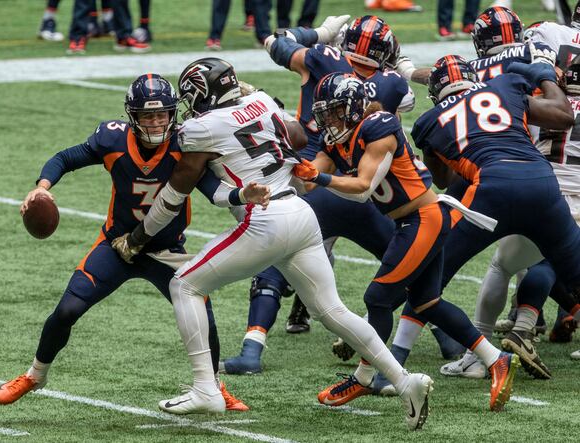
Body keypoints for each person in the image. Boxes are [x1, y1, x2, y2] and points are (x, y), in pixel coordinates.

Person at [112, 57, 435, 431]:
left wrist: (138, 238)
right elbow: (298, 137)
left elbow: (176, 188)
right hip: (301, 212)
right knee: (333, 312)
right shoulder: (264, 103)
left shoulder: (199, 128)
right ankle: (404, 381)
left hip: (264, 219)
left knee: (183, 284)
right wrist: (258, 103)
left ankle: (206, 389)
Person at [0, 73, 263, 412]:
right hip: (116, 245)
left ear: (172, 114)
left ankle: (213, 386)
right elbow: (65, 158)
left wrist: (241, 194)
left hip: (166, 252)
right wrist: (43, 187)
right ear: (132, 116)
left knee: (203, 315)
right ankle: (35, 374)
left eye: (161, 114)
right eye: (147, 116)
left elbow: (212, 190)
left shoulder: (185, 144)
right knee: (67, 309)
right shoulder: (113, 140)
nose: (155, 122)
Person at [221, 16, 441, 381]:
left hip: (313, 177)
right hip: (365, 192)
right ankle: (450, 340)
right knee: (405, 269)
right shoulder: (391, 83)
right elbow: (408, 100)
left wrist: (319, 33)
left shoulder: (323, 57)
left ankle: (252, 348)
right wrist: (400, 68)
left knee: (277, 252)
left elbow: (274, 41)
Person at [293, 72, 518, 412]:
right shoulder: (339, 139)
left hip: (423, 218)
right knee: (428, 302)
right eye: (326, 114)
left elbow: (364, 188)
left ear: (354, 108)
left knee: (378, 299)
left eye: (336, 112)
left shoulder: (377, 127)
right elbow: (310, 179)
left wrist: (321, 177)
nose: (330, 120)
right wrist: (293, 162)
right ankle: (495, 358)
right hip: (409, 221)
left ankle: (365, 376)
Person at [404, 54, 580, 386]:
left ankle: (478, 350)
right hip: (545, 192)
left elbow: (445, 178)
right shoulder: (515, 87)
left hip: (506, 187)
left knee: (443, 270)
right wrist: (538, 71)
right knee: (561, 269)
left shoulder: (498, 91)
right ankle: (525, 327)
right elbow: (561, 114)